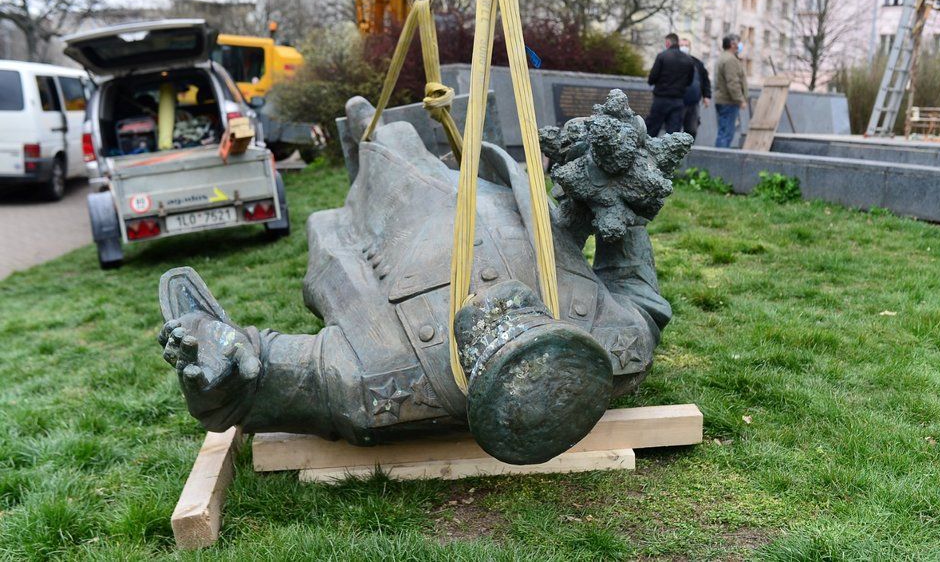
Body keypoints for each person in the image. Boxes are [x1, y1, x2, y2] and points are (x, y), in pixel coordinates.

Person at [157, 92, 691, 466]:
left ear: (472, 374)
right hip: (490, 200)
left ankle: (366, 127)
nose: (510, 306)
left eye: (506, 339)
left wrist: (224, 367)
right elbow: (638, 292)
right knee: (421, 153)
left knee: (390, 149)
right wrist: (625, 215)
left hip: (401, 221)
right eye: (534, 324)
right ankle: (384, 130)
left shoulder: (381, 382)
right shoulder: (612, 346)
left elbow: (267, 381)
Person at [646, 32, 694, 135]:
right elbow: (689, 81)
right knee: (673, 135)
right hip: (678, 100)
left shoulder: (662, 56)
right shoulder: (689, 60)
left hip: (661, 99)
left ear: (668, 42)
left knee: (652, 130)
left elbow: (652, 78)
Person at [714, 34, 749, 148]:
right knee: (726, 133)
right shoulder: (730, 60)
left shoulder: (723, 57)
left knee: (723, 131)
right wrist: (740, 99)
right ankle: (720, 161)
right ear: (732, 44)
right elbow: (733, 82)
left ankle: (717, 159)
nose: (740, 45)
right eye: (738, 42)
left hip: (722, 99)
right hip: (728, 101)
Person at [677, 38, 712, 138]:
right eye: (682, 45)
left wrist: (707, 96)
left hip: (693, 102)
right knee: (675, 128)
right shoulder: (674, 61)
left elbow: (705, 80)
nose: (684, 48)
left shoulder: (697, 63)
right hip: (678, 101)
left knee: (692, 130)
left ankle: (688, 151)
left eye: (686, 45)